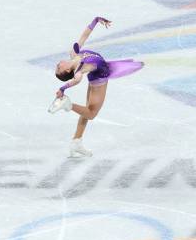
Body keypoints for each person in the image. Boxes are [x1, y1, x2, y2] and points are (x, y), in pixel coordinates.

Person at [49, 16, 144, 157]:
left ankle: (77, 141)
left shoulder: (74, 53)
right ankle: (68, 105)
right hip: (100, 78)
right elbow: (76, 80)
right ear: (67, 71)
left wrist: (96, 21)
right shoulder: (80, 70)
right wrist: (63, 89)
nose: (58, 65)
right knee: (91, 113)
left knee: (86, 111)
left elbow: (84, 35)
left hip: (96, 75)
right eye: (59, 68)